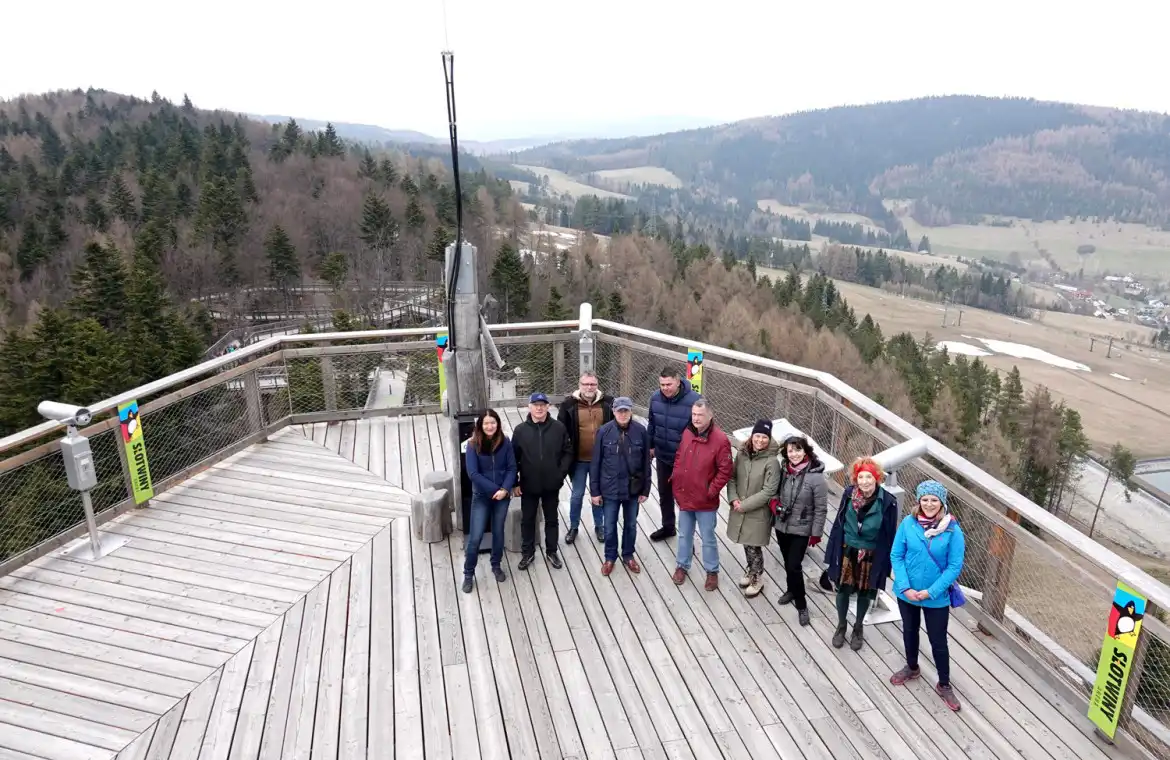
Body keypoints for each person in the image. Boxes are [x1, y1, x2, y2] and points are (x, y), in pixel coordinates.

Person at [890, 480, 966, 712]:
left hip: (936, 596)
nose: (929, 504)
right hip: (908, 593)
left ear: (942, 502)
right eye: (925, 499)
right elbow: (897, 555)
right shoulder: (908, 523)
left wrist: (930, 591)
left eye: (934, 500)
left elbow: (954, 566)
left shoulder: (953, 530)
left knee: (938, 641)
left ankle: (944, 684)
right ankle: (912, 667)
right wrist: (904, 587)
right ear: (918, 501)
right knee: (910, 631)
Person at [823, 457, 899, 650]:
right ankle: (841, 625)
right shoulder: (848, 494)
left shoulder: (888, 502)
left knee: (866, 591)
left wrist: (888, 564)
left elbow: (890, 534)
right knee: (843, 589)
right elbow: (838, 524)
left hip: (871, 552)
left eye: (869, 477)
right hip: (847, 549)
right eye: (861, 477)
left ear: (877, 478)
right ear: (856, 479)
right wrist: (832, 551)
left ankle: (858, 627)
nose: (865, 481)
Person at [670, 398, 733, 591]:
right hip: (685, 495)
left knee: (708, 537)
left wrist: (711, 491)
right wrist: (676, 478)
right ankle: (682, 565)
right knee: (684, 535)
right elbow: (680, 456)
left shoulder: (721, 440)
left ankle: (712, 571)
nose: (696, 418)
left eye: (700, 415)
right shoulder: (688, 432)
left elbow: (726, 470)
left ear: (710, 416)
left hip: (705, 500)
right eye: (694, 414)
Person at [512, 392, 573, 571]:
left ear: (548, 407)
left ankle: (551, 551)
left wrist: (559, 474)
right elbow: (513, 459)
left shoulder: (559, 428)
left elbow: (568, 452)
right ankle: (527, 552)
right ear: (529, 407)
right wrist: (515, 483)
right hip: (528, 485)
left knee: (552, 519)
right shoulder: (520, 430)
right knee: (528, 520)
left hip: (551, 484)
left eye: (542, 405)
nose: (539, 408)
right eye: (535, 405)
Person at [589, 396, 650, 575]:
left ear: (631, 411)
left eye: (626, 411)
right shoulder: (603, 432)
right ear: (614, 412)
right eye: (619, 411)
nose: (623, 414)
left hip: (633, 489)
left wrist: (646, 489)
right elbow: (596, 464)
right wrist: (595, 491)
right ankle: (609, 557)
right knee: (609, 526)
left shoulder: (641, 432)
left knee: (631, 525)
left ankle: (628, 555)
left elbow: (646, 463)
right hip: (610, 489)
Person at [773, 434, 828, 626]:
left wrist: (816, 533)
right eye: (790, 450)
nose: (794, 454)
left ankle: (802, 604)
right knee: (788, 561)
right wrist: (774, 505)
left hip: (802, 529)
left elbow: (821, 508)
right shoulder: (784, 471)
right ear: (785, 453)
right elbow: (776, 493)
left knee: (794, 565)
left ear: (806, 451)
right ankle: (791, 590)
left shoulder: (816, 477)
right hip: (782, 524)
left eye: (798, 449)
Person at [461, 409, 517, 594]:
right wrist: (496, 490)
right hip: (482, 497)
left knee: (498, 532)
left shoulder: (505, 442)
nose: (489, 426)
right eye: (486, 423)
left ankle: (496, 565)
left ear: (498, 424)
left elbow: (511, 468)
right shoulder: (472, 445)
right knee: (475, 537)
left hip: (502, 496)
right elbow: (473, 474)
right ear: (480, 425)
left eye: (493, 422)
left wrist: (505, 489)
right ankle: (468, 573)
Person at [726, 420, 781, 599]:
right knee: (745, 542)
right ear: (752, 435)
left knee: (754, 545)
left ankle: (757, 577)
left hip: (757, 511)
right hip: (739, 505)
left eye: (764, 437)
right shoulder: (742, 454)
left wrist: (744, 505)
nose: (760, 440)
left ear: (769, 438)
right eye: (757, 435)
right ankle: (751, 571)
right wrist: (733, 498)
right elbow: (732, 477)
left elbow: (769, 491)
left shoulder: (772, 461)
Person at [558, 372, 614, 545]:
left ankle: (599, 526)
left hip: (601, 460)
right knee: (577, 495)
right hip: (578, 460)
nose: (589, 387)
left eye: (592, 384)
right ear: (579, 385)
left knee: (599, 495)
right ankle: (574, 526)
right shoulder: (568, 404)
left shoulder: (608, 403)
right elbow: (561, 431)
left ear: (597, 385)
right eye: (586, 384)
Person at [646, 367, 701, 541]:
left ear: (678, 381)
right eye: (662, 384)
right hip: (662, 455)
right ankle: (668, 527)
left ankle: (687, 536)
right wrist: (651, 446)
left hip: (685, 460)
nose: (665, 388)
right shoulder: (655, 398)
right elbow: (652, 424)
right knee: (665, 495)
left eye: (669, 384)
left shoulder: (695, 401)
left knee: (685, 499)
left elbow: (702, 431)